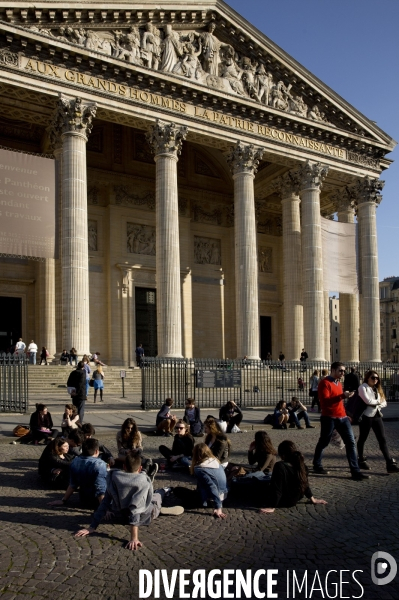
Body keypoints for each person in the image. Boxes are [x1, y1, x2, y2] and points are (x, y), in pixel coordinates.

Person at [74, 452, 184, 551]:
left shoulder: (113, 478)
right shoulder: (143, 482)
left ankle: (158, 488)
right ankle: (163, 490)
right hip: (147, 514)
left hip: (123, 514)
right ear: (139, 468)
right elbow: (135, 510)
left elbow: (105, 502)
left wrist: (92, 527)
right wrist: (134, 538)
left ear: (124, 467)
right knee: (156, 498)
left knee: (151, 496)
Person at [312, 361, 369, 480]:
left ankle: (355, 471)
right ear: (333, 370)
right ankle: (317, 464)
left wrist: (345, 414)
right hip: (329, 418)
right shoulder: (324, 383)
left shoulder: (338, 383)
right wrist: (343, 396)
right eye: (340, 371)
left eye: (344, 371)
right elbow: (325, 402)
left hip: (342, 418)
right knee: (324, 442)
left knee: (351, 443)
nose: (343, 373)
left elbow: (340, 403)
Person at [259, 440, 327, 513]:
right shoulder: (302, 465)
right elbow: (304, 483)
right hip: (294, 499)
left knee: (259, 483)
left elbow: (277, 488)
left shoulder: (280, 466)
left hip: (283, 500)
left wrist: (272, 506)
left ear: (283, 455)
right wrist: (312, 499)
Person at [357, 370, 399, 474]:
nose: (375, 380)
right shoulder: (363, 387)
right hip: (366, 417)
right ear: (367, 378)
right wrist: (378, 402)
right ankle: (361, 459)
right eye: (373, 378)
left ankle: (389, 463)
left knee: (382, 439)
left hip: (377, 416)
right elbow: (367, 401)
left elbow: (384, 402)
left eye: (377, 378)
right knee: (363, 438)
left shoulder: (377, 388)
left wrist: (377, 403)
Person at [48, 438, 108, 508]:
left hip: (83, 499)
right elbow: (100, 488)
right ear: (97, 451)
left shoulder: (75, 461)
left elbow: (73, 484)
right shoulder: (99, 464)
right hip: (97, 501)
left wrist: (63, 500)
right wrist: (104, 509)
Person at [174, 443, 228, 519]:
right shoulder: (215, 461)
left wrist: (218, 507)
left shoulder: (200, 469)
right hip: (223, 495)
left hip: (212, 500)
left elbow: (212, 487)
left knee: (177, 491)